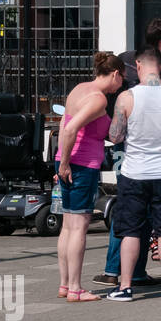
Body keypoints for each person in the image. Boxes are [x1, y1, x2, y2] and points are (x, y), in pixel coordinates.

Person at [94, 16, 161, 288]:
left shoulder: (128, 60)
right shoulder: (157, 74)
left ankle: (133, 273)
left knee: (135, 210)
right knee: (132, 212)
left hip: (130, 149)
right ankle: (114, 269)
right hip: (140, 153)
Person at [106, 48, 161, 302]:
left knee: (131, 230)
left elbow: (115, 136)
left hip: (134, 173)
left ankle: (124, 287)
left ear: (138, 66)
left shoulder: (126, 97)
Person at [55, 53, 125, 301]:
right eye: (121, 80)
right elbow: (71, 128)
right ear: (115, 74)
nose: (120, 86)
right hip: (81, 164)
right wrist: (65, 163)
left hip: (68, 161)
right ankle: (75, 287)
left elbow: (64, 122)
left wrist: (61, 160)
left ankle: (65, 285)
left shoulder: (79, 89)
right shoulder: (98, 100)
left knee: (67, 225)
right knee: (79, 227)